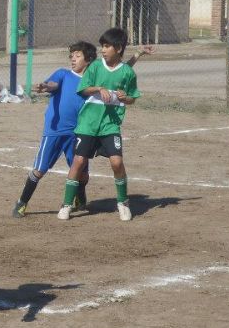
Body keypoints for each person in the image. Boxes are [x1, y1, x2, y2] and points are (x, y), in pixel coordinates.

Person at [12, 41, 149, 218]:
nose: (73, 59)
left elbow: (121, 70)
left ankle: (79, 197)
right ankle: (22, 202)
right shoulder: (63, 74)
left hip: (78, 132)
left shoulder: (94, 78)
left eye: (77, 56)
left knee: (81, 173)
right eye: (71, 56)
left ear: (89, 60)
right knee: (39, 170)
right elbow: (53, 84)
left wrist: (138, 54)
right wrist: (45, 86)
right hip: (54, 132)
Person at [58, 28, 141, 222]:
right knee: (78, 162)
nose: (102, 50)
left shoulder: (128, 72)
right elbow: (83, 89)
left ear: (118, 48)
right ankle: (67, 204)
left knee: (117, 162)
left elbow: (132, 99)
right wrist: (99, 88)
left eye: (107, 46)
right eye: (102, 45)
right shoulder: (95, 67)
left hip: (110, 125)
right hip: (88, 124)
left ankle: (123, 202)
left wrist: (125, 97)